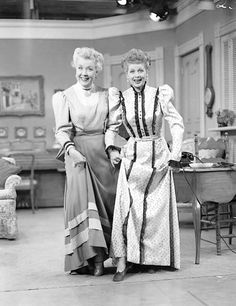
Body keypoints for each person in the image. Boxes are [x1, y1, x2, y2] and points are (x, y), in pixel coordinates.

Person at [110, 48, 184, 282]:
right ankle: (124, 260)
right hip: (132, 158)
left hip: (158, 158)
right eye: (132, 71)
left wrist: (175, 154)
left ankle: (150, 259)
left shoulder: (160, 94)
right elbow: (111, 128)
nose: (137, 74)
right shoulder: (121, 98)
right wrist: (111, 148)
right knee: (128, 208)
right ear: (126, 73)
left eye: (140, 70)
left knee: (155, 213)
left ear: (147, 70)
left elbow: (177, 123)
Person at [52, 47, 121, 276]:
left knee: (109, 204)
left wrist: (112, 149)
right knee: (82, 206)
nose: (84, 72)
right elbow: (62, 132)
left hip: (102, 156)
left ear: (97, 70)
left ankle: (108, 258)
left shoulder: (107, 94)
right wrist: (72, 151)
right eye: (80, 67)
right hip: (78, 157)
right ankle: (92, 261)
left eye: (89, 68)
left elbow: (112, 126)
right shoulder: (65, 96)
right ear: (75, 67)